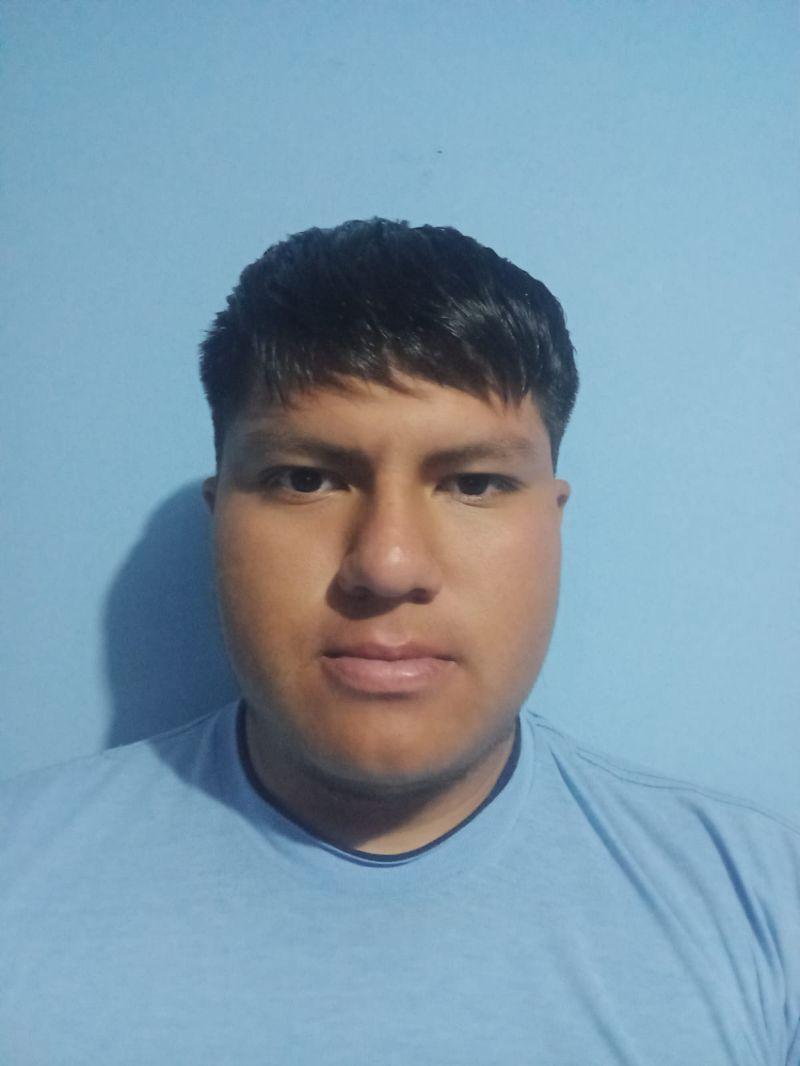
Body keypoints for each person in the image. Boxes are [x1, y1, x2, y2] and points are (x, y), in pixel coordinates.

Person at [1, 219, 797, 1064]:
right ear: (220, 514)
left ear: (552, 521)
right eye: (305, 479)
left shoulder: (762, 904)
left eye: (474, 482)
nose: (386, 566)